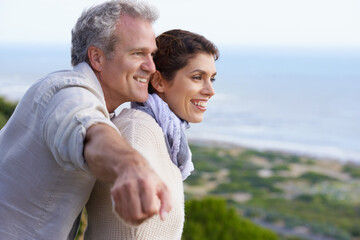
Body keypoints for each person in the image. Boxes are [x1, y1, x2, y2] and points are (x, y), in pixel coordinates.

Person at [0, 1, 172, 239]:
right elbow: (89, 130)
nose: (151, 67)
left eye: (151, 54)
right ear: (97, 58)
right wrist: (129, 166)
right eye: (137, 53)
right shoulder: (65, 92)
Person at [84, 29, 219, 240]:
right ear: (159, 81)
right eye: (197, 77)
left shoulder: (164, 137)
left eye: (212, 79)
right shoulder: (137, 131)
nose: (210, 90)